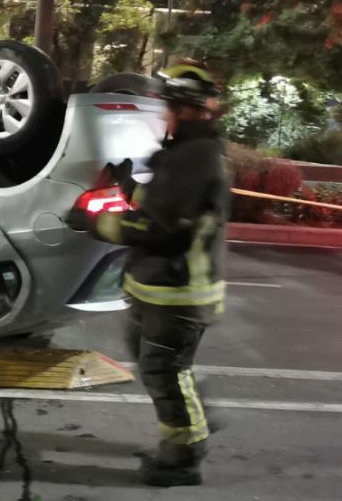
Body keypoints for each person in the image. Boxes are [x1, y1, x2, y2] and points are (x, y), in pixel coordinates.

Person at [67, 63, 229, 488]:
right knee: (160, 365)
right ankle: (194, 416)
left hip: (177, 292)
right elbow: (166, 202)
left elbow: (159, 227)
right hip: (159, 288)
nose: (162, 114)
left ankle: (183, 457)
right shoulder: (188, 153)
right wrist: (128, 188)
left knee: (165, 371)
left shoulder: (196, 157)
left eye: (167, 106)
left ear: (185, 108)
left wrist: (96, 222)